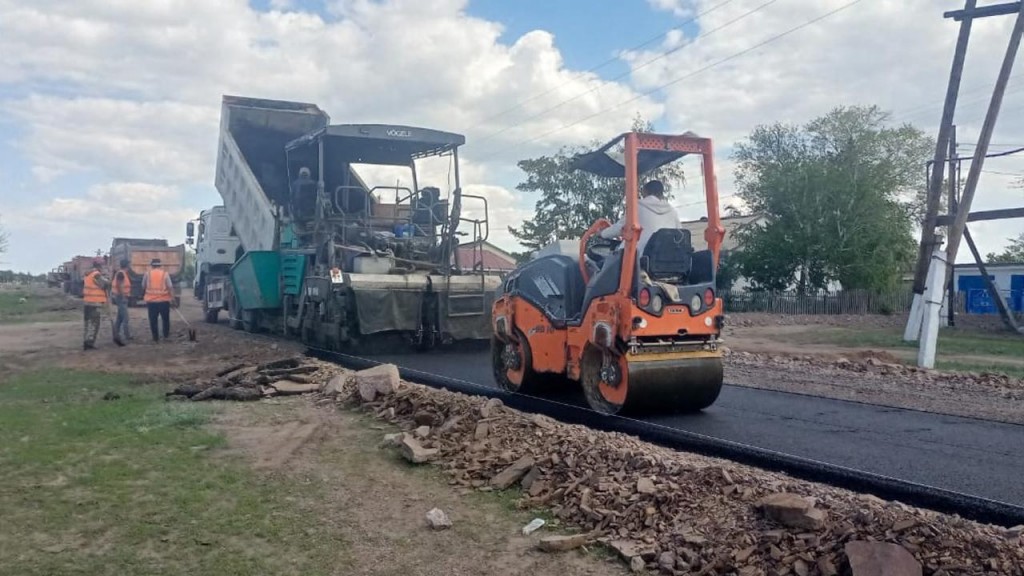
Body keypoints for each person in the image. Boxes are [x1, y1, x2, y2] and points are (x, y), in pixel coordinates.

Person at [599, 179, 681, 259]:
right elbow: (680, 235)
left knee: (604, 264)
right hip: (666, 261)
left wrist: (602, 233)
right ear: (661, 193)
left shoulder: (637, 207)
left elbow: (620, 228)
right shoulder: (672, 212)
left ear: (645, 192)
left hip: (638, 259)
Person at [142, 258, 175, 342]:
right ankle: (166, 336)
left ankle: (155, 337)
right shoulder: (165, 274)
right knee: (165, 319)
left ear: (152, 265)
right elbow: (170, 287)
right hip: (164, 301)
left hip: (151, 301)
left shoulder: (147, 274)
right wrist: (173, 299)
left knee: (153, 320)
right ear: (160, 265)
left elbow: (143, 286)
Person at [82, 258, 110, 350]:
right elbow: (104, 284)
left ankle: (86, 342)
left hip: (87, 303)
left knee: (88, 324)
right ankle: (89, 344)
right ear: (99, 265)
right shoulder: (96, 275)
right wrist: (108, 278)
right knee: (94, 324)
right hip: (95, 303)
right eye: (103, 265)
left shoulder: (88, 274)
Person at [111, 258, 132, 342]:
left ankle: (116, 334)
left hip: (120, 297)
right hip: (121, 297)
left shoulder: (122, 273)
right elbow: (119, 285)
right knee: (125, 318)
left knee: (120, 318)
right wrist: (123, 296)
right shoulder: (121, 273)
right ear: (127, 265)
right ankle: (127, 335)